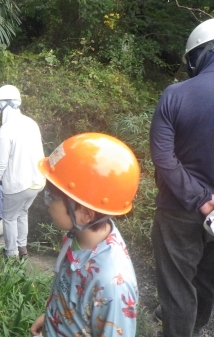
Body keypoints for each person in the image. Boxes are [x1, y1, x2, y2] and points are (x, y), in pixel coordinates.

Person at [30, 133, 140, 337]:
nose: (46, 202)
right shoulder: (79, 236)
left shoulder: (112, 286)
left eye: (51, 197)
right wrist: (52, 317)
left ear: (86, 214)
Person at [149, 18, 214, 337]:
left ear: (199, 55)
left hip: (178, 211)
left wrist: (202, 200)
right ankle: (198, 327)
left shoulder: (175, 95)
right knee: (207, 281)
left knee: (177, 289)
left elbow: (162, 157)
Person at [0, 85, 45, 259]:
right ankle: (23, 250)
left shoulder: (6, 129)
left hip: (19, 184)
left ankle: (11, 254)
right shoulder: (31, 123)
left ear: (3, 105)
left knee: (9, 218)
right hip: (38, 181)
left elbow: (1, 161)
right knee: (22, 213)